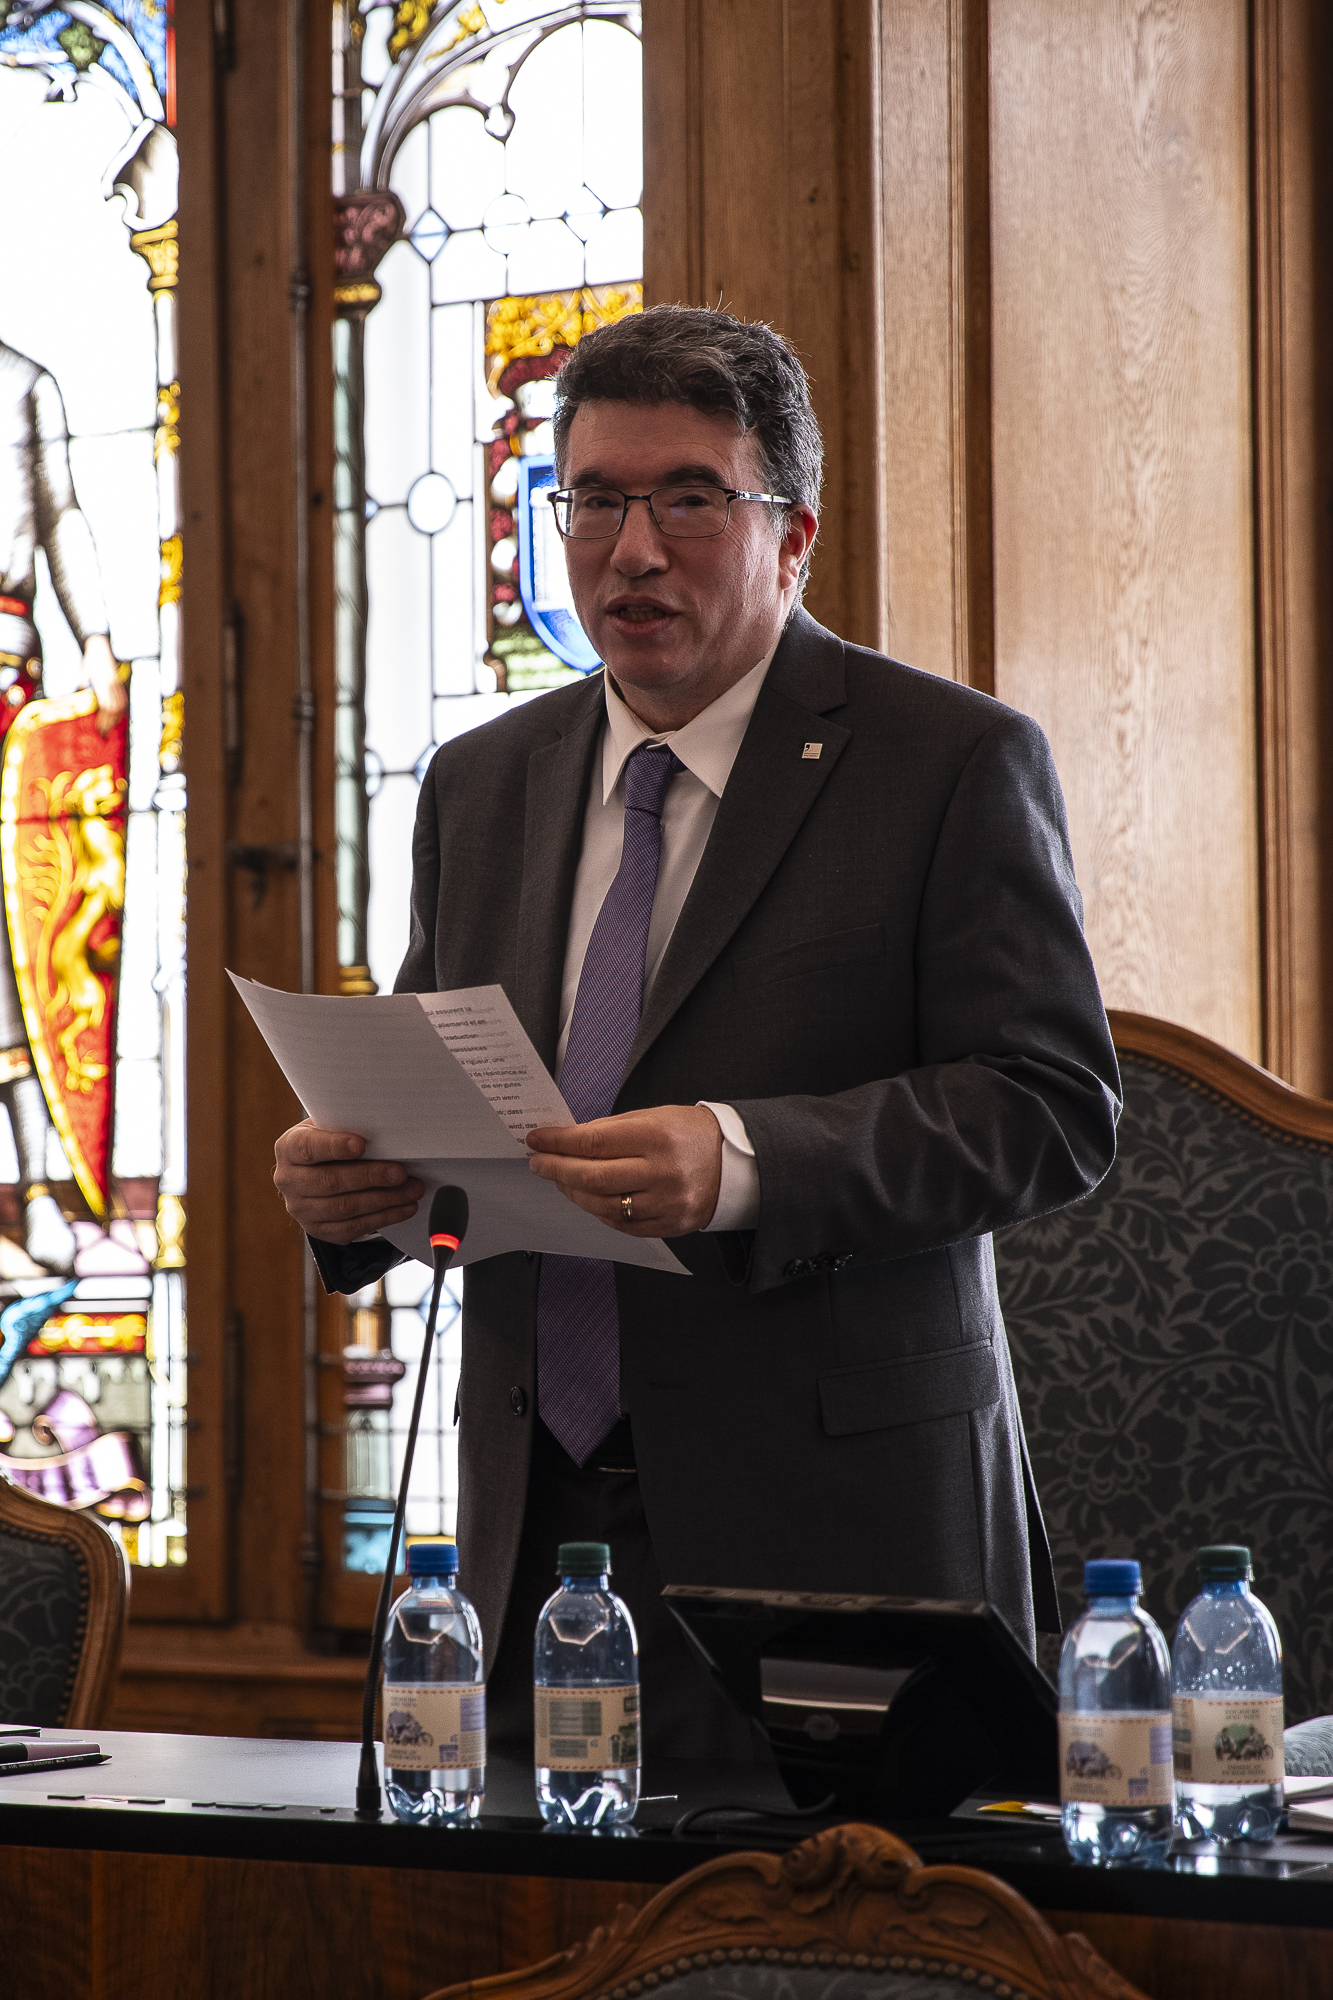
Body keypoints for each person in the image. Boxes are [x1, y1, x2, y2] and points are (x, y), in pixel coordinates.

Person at [274, 307, 1120, 1764]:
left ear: (793, 538)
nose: (632, 550)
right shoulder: (482, 782)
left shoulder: (947, 760)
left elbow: (1047, 1105)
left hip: (833, 1526)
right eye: (594, 500)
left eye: (687, 500)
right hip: (531, 1531)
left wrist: (738, 1160)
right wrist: (357, 1190)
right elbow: (446, 1097)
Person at [0, 341, 127, 1275]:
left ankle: (39, 1189)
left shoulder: (22, 385)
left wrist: (96, 640)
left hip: (7, 687)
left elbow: (62, 517)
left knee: (23, 940)